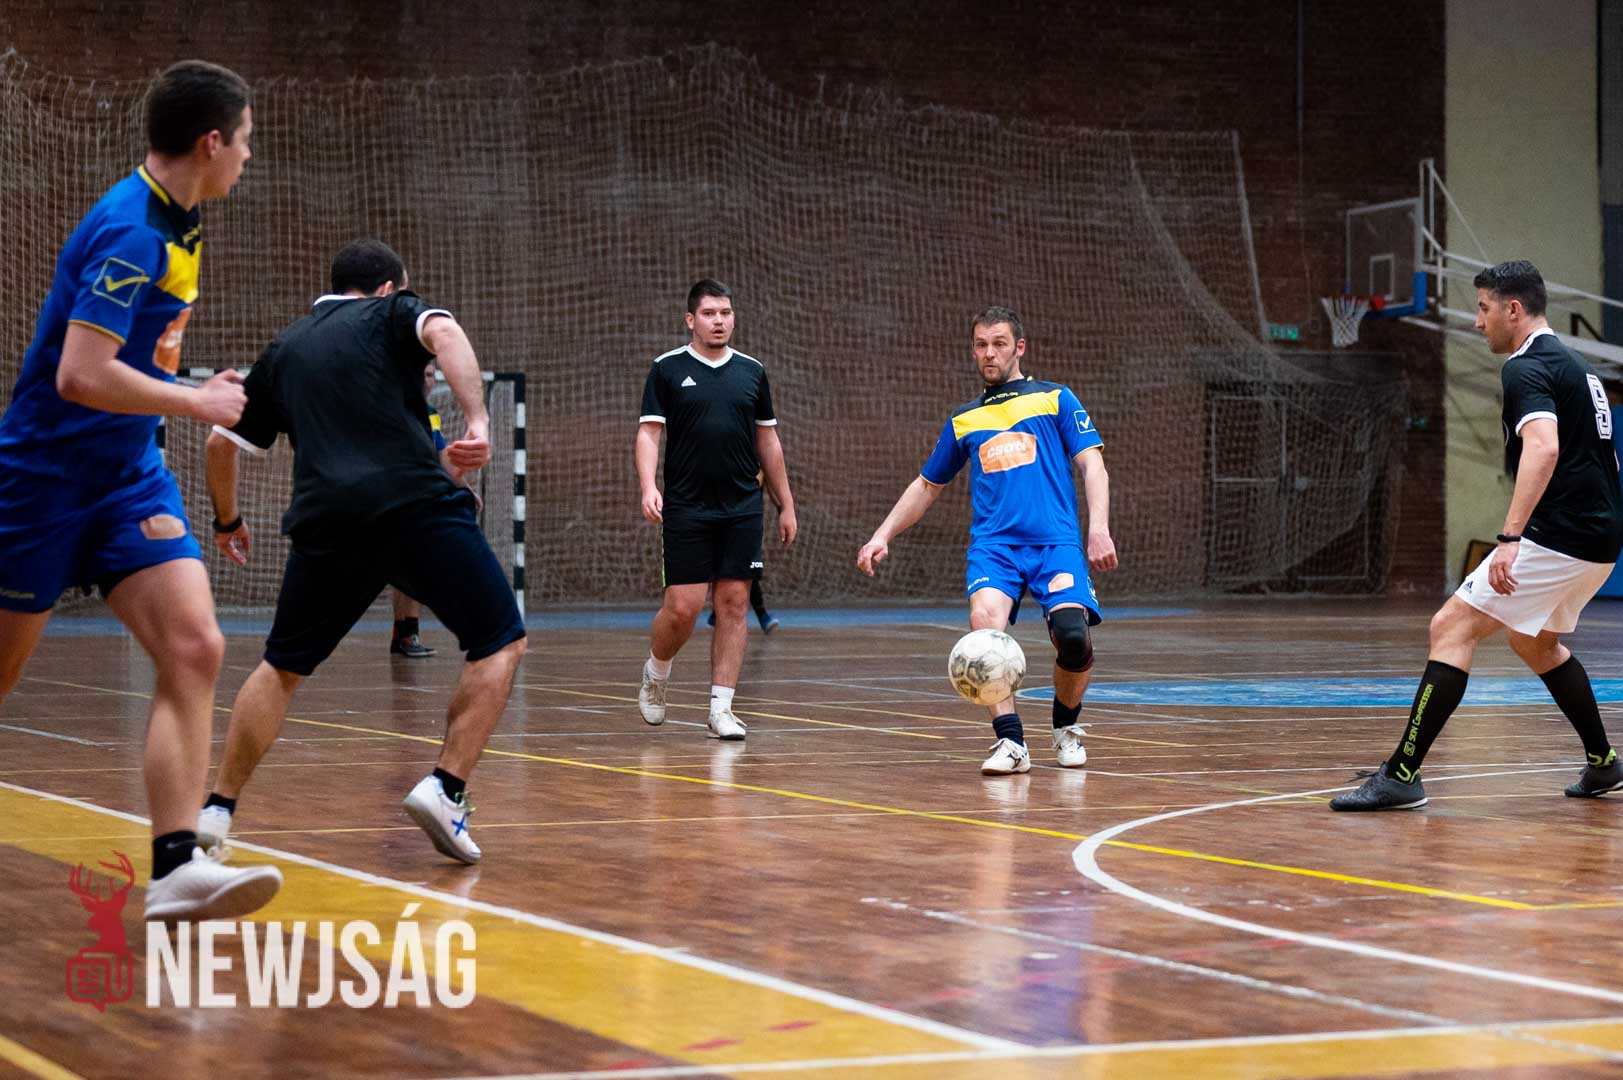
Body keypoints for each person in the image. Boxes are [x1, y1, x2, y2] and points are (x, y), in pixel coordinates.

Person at [0, 61, 282, 920]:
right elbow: (80, 375)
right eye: (245, 140)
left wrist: (177, 391)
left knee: (195, 646)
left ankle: (175, 867)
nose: (248, 156)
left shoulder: (180, 219)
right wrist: (195, 400)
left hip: (126, 475)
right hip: (44, 481)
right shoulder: (131, 230)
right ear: (211, 141)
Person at [196, 239, 527, 862]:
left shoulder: (287, 348)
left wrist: (227, 520)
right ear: (389, 288)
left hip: (327, 522)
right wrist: (478, 422)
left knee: (281, 667)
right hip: (414, 508)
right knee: (500, 641)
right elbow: (446, 331)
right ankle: (446, 788)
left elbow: (218, 444)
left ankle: (216, 810)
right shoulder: (394, 312)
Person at [1332, 260, 1623, 810]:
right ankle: (1604, 763)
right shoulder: (1579, 367)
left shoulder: (1526, 367)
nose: (1477, 321)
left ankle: (1402, 773)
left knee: (1450, 627)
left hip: (1559, 536)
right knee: (1534, 643)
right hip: (1600, 540)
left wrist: (1510, 539)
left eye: (1484, 309)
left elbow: (1544, 448)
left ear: (1513, 309)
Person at [857, 307, 1116, 775]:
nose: (989, 353)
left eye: (999, 343)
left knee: (1073, 637)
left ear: (1020, 348)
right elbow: (926, 486)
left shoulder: (1055, 398)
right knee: (985, 632)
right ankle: (1011, 742)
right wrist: (882, 534)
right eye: (981, 345)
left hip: (1055, 543)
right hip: (994, 548)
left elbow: (1092, 464)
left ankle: (1065, 727)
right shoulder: (965, 419)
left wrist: (1098, 528)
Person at [635, 279, 797, 740]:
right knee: (683, 608)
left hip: (742, 506)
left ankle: (721, 708)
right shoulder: (667, 369)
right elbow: (649, 433)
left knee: (734, 603)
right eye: (709, 314)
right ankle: (656, 672)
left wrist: (786, 503)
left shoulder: (752, 372)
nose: (719, 321)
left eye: (725, 313)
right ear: (691, 320)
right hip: (686, 506)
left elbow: (768, 440)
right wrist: (648, 486)